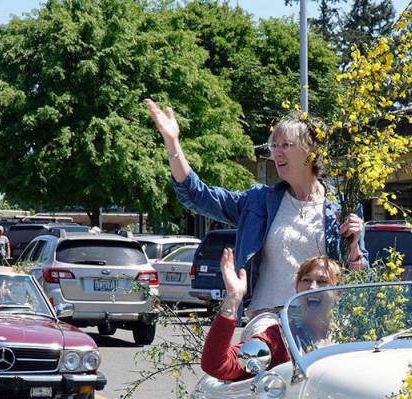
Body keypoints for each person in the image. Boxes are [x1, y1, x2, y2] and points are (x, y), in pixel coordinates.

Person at [146, 98, 367, 336]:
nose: (277, 153)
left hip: (323, 321)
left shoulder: (342, 207)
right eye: (275, 146)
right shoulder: (258, 201)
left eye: (286, 145)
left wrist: (354, 247)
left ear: (311, 152)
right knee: (257, 355)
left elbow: (359, 275)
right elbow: (198, 195)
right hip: (268, 318)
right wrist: (172, 142)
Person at [201, 251, 340, 382]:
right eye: (306, 280)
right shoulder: (281, 338)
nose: (312, 287)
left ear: (338, 293)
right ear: (297, 289)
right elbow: (218, 365)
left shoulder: (349, 336)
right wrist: (232, 299)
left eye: (322, 281)